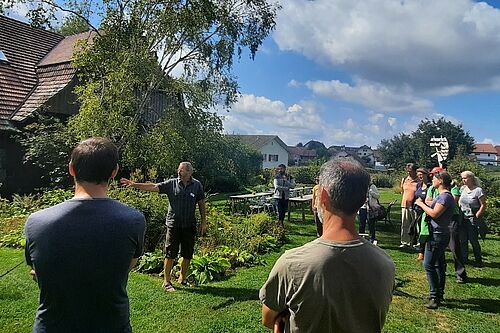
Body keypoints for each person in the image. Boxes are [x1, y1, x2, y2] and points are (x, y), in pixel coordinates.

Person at [24, 137, 146, 332]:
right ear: (114, 172)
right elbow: (128, 265)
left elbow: (37, 271)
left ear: (71, 168)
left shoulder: (36, 221)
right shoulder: (134, 220)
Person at [260, 158, 395, 332]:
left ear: (322, 196)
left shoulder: (292, 263)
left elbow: (268, 318)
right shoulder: (386, 264)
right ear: (363, 200)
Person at [120, 162, 206, 292]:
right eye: (178, 170)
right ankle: (166, 281)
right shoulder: (171, 184)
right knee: (170, 253)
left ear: (189, 173)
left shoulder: (197, 185)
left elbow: (201, 202)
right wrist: (134, 184)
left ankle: (182, 278)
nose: (179, 173)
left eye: (182, 171)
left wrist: (204, 221)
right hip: (173, 225)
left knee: (187, 253)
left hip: (189, 225)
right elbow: (154, 186)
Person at [415, 170, 455, 309]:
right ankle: (438, 293)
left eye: (434, 179)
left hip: (437, 235)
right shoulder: (443, 196)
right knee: (439, 264)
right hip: (438, 233)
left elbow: (434, 213)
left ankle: (434, 296)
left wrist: (421, 204)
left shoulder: (445, 197)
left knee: (429, 265)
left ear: (441, 181)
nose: (432, 180)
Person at [459, 170, 486, 267]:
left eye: (465, 178)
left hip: (472, 217)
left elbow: (483, 205)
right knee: (463, 239)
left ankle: (478, 259)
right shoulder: (462, 189)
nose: (464, 180)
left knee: (473, 239)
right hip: (462, 217)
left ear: (471, 178)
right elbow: (460, 201)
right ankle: (464, 258)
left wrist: (478, 214)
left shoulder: (478, 190)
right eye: (462, 178)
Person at [413, 168, 430, 261]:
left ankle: (424, 252)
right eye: (418, 175)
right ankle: (421, 252)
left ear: (426, 175)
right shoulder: (418, 185)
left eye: (421, 174)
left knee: (425, 232)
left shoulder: (430, 186)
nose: (420, 176)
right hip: (417, 210)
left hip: (426, 212)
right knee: (419, 232)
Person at [400, 163, 418, 247]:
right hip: (405, 205)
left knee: (415, 225)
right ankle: (405, 242)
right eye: (407, 171)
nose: (409, 173)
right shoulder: (404, 180)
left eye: (410, 171)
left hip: (414, 206)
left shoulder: (419, 181)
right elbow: (402, 191)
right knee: (405, 224)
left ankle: (415, 242)